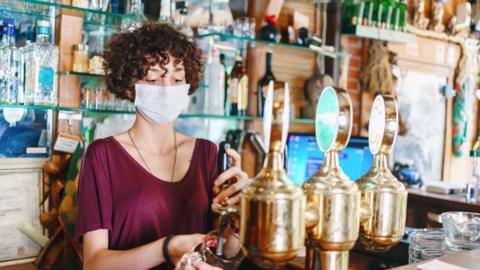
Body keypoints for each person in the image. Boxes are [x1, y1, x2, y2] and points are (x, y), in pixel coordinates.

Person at [74, 23, 249, 270]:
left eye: (178, 78)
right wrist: (166, 248)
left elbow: (223, 252)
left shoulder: (207, 154)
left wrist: (238, 220)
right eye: (155, 78)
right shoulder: (102, 156)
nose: (169, 89)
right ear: (128, 86)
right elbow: (94, 264)